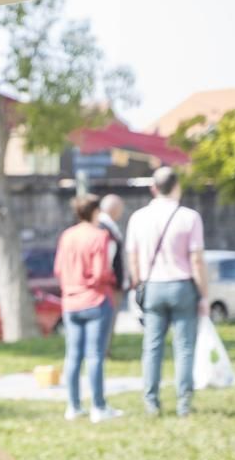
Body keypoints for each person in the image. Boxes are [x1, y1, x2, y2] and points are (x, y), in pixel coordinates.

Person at [126, 167, 208, 417]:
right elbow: (196, 260)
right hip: (182, 284)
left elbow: (133, 259)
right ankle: (184, 402)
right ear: (177, 186)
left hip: (152, 286)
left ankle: (152, 401)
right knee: (184, 347)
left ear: (153, 188)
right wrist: (203, 294)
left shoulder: (138, 218)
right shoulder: (189, 217)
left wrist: (139, 284)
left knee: (152, 347)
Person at [53, 194, 123, 423]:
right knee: (95, 356)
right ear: (96, 212)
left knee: (72, 356)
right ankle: (98, 407)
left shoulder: (67, 236)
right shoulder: (100, 236)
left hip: (70, 301)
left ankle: (73, 406)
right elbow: (100, 271)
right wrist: (112, 279)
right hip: (95, 300)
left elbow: (58, 269)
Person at [97, 194, 129, 355]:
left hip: (111, 283)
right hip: (109, 285)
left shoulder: (107, 227)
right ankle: (103, 351)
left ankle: (104, 349)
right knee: (107, 320)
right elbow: (107, 260)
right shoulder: (104, 228)